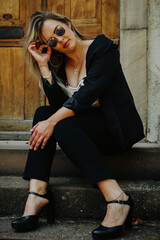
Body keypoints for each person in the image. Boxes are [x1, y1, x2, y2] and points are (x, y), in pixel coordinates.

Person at [11, 11, 144, 239]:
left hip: (114, 131)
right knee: (44, 113)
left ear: (68, 24)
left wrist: (51, 122)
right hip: (86, 131)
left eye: (59, 30)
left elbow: (85, 96)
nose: (60, 39)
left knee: (55, 123)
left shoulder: (103, 49)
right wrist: (44, 66)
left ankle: (117, 198)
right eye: (51, 40)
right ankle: (37, 192)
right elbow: (58, 105)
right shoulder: (61, 63)